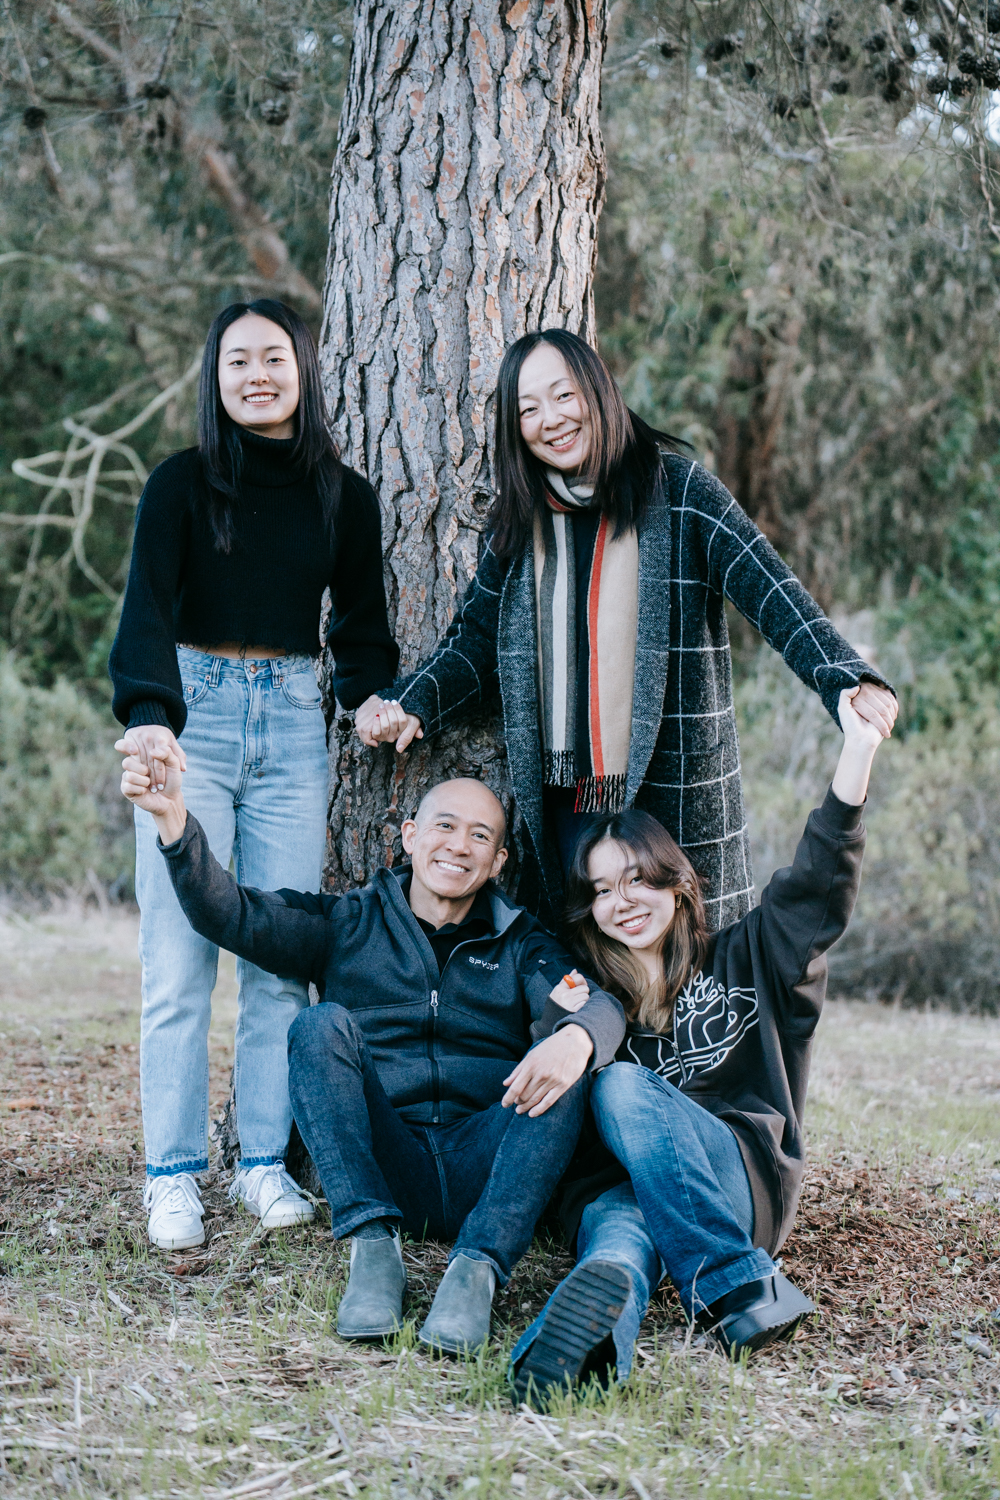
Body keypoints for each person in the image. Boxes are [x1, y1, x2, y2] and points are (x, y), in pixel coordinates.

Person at [354, 329, 896, 931]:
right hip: (567, 806)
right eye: (528, 409)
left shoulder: (682, 494)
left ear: (598, 391)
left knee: (689, 979)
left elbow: (771, 591)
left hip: (676, 789)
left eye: (563, 396)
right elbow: (477, 641)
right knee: (589, 979)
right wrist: (411, 703)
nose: (550, 420)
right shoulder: (519, 522)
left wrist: (845, 678)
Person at [117, 753, 627, 1354]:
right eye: (444, 825)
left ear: (498, 861)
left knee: (567, 1065)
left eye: (480, 835)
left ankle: (478, 1270)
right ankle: (372, 1249)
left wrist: (577, 1036)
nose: (458, 845)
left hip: (489, 1165)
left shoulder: (522, 941)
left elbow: (597, 1004)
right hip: (389, 1159)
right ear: (410, 836)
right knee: (318, 1026)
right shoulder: (347, 920)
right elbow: (234, 914)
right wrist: (175, 822)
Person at [108, 299, 400, 1253]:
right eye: (238, 361)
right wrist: (150, 722)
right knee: (180, 965)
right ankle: (174, 1177)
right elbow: (146, 613)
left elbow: (358, 635)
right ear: (216, 378)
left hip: (293, 724)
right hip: (190, 722)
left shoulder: (343, 499)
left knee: (280, 955)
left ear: (303, 371)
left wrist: (368, 702)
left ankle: (263, 1165)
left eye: (274, 357)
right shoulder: (179, 485)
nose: (257, 375)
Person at [507, 685, 886, 1405]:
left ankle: (733, 1276)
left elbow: (818, 881)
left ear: (675, 884)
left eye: (639, 878)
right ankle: (581, 1354)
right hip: (628, 1192)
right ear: (589, 912)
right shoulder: (585, 1005)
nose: (623, 899)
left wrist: (858, 751)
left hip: (738, 1183)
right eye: (602, 889)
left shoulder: (750, 957)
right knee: (618, 1241)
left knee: (623, 1090)